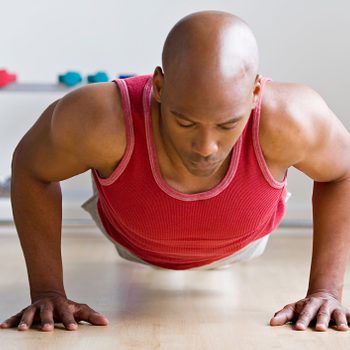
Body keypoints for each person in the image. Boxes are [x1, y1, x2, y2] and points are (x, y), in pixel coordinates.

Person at [1, 10, 350, 333]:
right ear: (159, 86)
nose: (205, 147)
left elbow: (342, 172)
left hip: (245, 242)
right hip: (131, 241)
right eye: (184, 121)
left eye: (227, 125)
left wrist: (326, 290)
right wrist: (47, 290)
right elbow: (30, 168)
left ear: (256, 92)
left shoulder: (294, 118)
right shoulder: (99, 118)